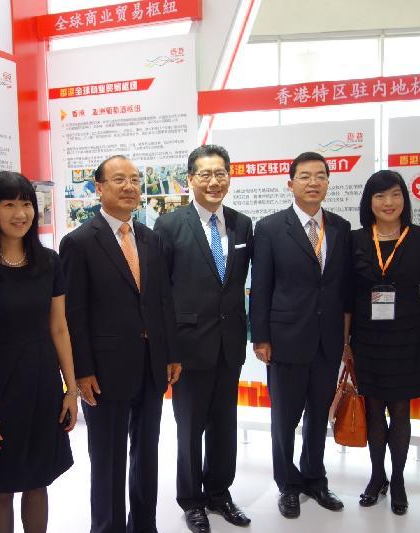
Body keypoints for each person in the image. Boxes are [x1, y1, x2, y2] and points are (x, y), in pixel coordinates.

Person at [59, 155, 181, 533]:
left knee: (146, 455)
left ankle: (144, 525)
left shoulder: (151, 238)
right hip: (105, 371)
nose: (129, 187)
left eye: (134, 180)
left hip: (151, 364)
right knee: (108, 459)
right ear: (98, 188)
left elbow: (162, 301)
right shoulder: (79, 242)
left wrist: (171, 352)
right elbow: (73, 314)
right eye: (118, 180)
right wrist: (82, 371)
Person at [0, 171, 77, 533]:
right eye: (8, 204)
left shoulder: (49, 262)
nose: (20, 213)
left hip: (42, 386)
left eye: (26, 204)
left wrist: (71, 389)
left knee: (38, 481)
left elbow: (59, 328)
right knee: (2, 484)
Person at [154, 145, 254, 533]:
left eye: (221, 173)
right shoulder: (170, 226)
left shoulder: (243, 224)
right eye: (205, 174)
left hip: (230, 343)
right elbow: (162, 293)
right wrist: (168, 349)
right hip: (188, 346)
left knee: (224, 423)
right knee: (189, 427)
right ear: (190, 179)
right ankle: (191, 499)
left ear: (229, 176)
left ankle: (218, 492)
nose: (214, 181)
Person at [250, 151, 351, 519]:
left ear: (328, 182)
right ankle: (287, 484)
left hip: (327, 341)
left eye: (320, 176)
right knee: (285, 419)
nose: (313, 182)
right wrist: (260, 337)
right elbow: (260, 287)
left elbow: (343, 289)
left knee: (318, 415)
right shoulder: (271, 228)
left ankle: (314, 478)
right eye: (305, 176)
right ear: (290, 183)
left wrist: (347, 339)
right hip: (285, 339)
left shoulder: (340, 228)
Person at [347, 170, 420, 515]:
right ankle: (377, 476)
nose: (388, 203)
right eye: (380, 196)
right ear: (369, 202)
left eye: (395, 195)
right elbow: (347, 297)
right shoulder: (356, 240)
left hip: (408, 337)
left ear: (405, 199)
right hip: (367, 338)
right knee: (373, 410)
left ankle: (397, 478)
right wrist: (346, 343)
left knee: (400, 410)